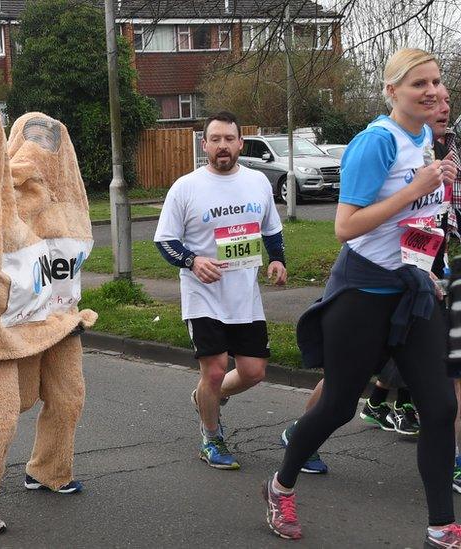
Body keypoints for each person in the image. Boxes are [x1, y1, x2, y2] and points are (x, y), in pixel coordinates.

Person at [263, 49, 461, 545]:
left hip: (413, 292)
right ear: (393, 91)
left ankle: (441, 527)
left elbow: (415, 221)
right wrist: (418, 188)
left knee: (438, 408)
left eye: (437, 82)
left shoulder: (426, 141)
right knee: (337, 405)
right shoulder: (375, 142)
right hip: (363, 294)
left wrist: (437, 195)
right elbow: (345, 226)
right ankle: (280, 484)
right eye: (420, 84)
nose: (433, 91)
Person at [154, 111, 286, 470]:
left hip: (244, 295)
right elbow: (164, 241)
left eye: (230, 139)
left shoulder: (257, 182)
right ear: (205, 145)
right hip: (203, 294)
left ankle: (206, 398)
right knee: (213, 371)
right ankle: (211, 437)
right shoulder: (186, 187)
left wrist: (277, 259)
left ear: (241, 143)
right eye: (216, 139)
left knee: (254, 371)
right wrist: (192, 261)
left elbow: (271, 228)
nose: (223, 146)